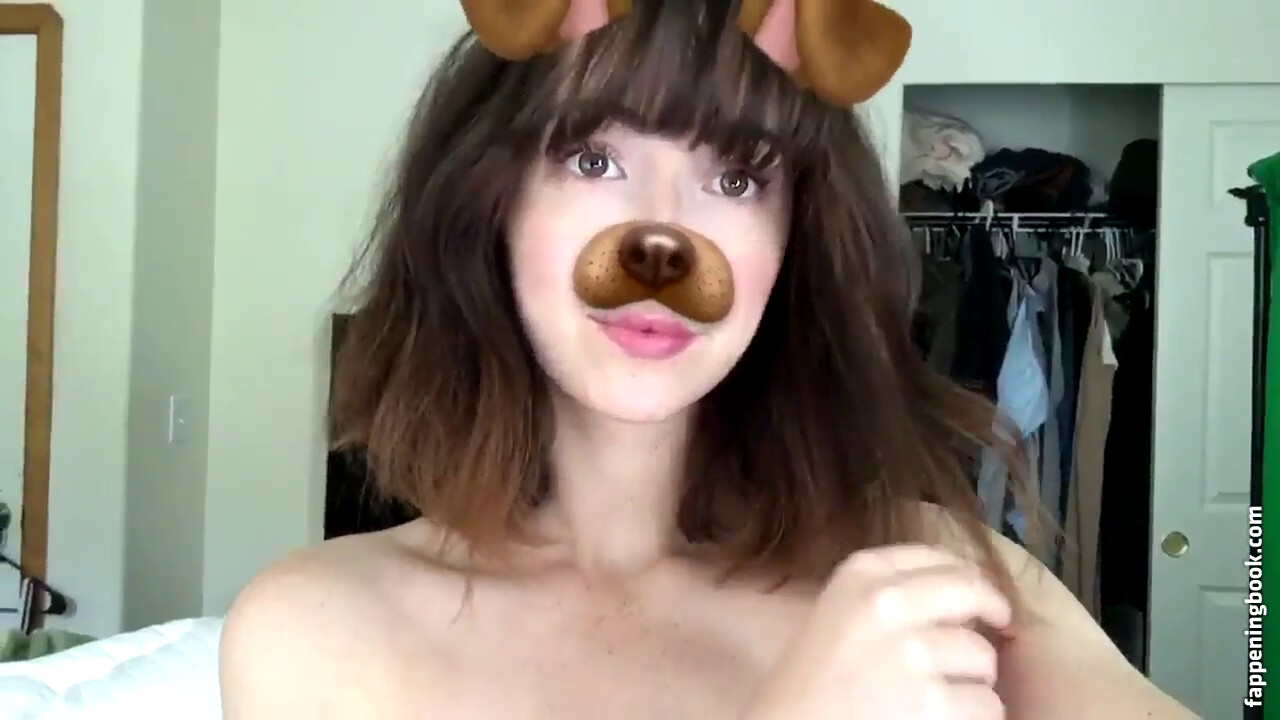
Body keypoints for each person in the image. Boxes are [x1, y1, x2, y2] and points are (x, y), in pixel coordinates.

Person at [219, 1, 1198, 717]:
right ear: (492, 203)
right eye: (593, 160)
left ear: (795, 243)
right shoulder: (318, 628)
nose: (663, 238)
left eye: (734, 179)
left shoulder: (931, 580)